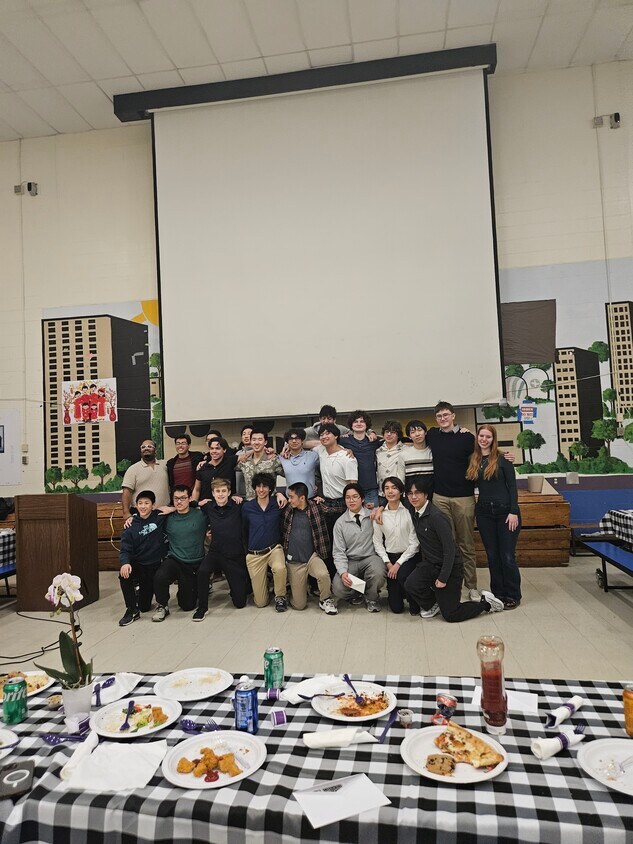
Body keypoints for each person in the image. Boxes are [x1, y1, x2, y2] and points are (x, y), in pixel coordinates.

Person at [403, 476, 504, 622]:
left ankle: (486, 604)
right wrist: (379, 509)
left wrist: (443, 578)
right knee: (410, 584)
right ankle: (433, 604)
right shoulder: (413, 511)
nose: (413, 497)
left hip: (450, 567)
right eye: (410, 493)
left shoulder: (437, 517)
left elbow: (449, 550)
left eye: (417, 493)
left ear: (426, 494)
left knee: (451, 614)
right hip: (430, 564)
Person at [425, 402, 479, 600]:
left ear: (453, 416)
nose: (443, 418)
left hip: (464, 497)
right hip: (440, 497)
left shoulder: (467, 437)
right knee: (446, 543)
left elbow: (484, 451)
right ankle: (450, 584)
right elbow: (407, 440)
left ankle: (471, 586)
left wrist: (506, 456)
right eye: (439, 416)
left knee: (466, 543)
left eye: (446, 415)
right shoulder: (432, 435)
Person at [466, 424, 522, 609]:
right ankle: (498, 594)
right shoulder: (473, 459)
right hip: (484, 513)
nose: (484, 439)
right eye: (481, 436)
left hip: (506, 513)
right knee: (492, 555)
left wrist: (514, 511)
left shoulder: (503, 458)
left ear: (493, 439)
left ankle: (513, 595)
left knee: (507, 556)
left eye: (488, 437)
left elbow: (512, 487)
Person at [194, 479, 250, 619]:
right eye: (217, 491)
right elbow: (187, 504)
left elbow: (255, 503)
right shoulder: (208, 507)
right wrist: (197, 503)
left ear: (229, 492)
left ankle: (237, 589)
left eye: (224, 491)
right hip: (216, 552)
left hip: (234, 555)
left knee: (240, 602)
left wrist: (239, 497)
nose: (220, 494)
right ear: (213, 493)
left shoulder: (238, 505)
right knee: (203, 571)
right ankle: (202, 608)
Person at [152, 484, 209, 621]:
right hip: (176, 559)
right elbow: (147, 515)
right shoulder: (167, 517)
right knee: (160, 576)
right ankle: (162, 605)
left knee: (187, 605)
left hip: (195, 562)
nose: (179, 501)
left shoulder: (201, 515)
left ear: (189, 499)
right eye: (176, 498)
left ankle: (190, 589)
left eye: (183, 498)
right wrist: (131, 518)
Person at [282, 482, 337, 614]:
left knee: (323, 574)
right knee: (299, 605)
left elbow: (334, 509)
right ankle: (293, 590)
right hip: (294, 561)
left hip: (312, 556)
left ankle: (325, 599)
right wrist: (278, 494)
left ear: (302, 498)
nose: (289, 500)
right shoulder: (288, 509)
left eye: (291, 497)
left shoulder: (316, 507)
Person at [332, 483, 386, 612]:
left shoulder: (372, 515)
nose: (351, 500)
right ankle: (357, 593)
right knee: (338, 588)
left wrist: (379, 510)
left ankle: (372, 598)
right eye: (348, 497)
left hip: (370, 558)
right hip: (351, 560)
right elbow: (338, 551)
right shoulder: (340, 523)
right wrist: (343, 572)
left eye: (355, 497)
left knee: (378, 573)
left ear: (362, 499)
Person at [118, 490, 168, 626]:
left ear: (153, 505)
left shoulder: (159, 516)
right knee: (124, 574)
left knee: (145, 606)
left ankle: (147, 595)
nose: (143, 506)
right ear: (136, 505)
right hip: (140, 565)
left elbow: (178, 507)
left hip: (155, 565)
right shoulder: (130, 525)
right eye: (140, 503)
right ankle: (132, 609)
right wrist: (125, 563)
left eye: (146, 503)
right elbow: (125, 549)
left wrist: (171, 508)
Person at [372, 477, 420, 614]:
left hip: (408, 557)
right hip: (390, 559)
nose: (390, 491)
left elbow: (414, 543)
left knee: (404, 577)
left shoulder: (409, 512)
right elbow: (377, 542)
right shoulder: (379, 515)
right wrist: (388, 563)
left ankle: (415, 597)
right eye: (386, 488)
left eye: (394, 488)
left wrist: (398, 564)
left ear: (401, 492)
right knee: (396, 608)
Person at [242, 472, 288, 611]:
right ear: (254, 488)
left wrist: (280, 494)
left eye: (265, 486)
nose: (261, 490)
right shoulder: (247, 507)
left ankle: (280, 596)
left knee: (279, 568)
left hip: (274, 549)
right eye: (258, 486)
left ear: (270, 488)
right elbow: (244, 530)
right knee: (261, 603)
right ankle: (266, 580)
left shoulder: (278, 503)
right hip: (255, 554)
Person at [339, 411, 383, 507]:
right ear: (351, 425)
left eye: (362, 421)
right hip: (352, 490)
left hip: (370, 489)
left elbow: (391, 439)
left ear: (367, 425)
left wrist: (372, 433)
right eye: (355, 421)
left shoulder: (374, 441)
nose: (358, 424)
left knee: (373, 515)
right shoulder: (344, 440)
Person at [121, 439, 170, 519]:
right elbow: (127, 492)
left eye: (150, 446)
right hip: (141, 514)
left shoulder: (165, 465)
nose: (146, 448)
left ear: (155, 450)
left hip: (164, 513)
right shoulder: (133, 469)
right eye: (143, 447)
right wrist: (126, 512)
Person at [236, 429, 285, 500]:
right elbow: (228, 466)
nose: (256, 442)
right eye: (254, 439)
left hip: (270, 502)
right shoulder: (244, 461)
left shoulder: (273, 460)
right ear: (251, 441)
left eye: (260, 439)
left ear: (265, 442)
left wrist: (279, 493)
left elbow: (290, 475)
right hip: (250, 503)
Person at [192, 437, 238, 501]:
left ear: (224, 450)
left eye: (217, 448)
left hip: (226, 504)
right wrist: (195, 504)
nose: (214, 451)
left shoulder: (230, 461)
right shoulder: (202, 467)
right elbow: (197, 490)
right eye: (212, 448)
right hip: (206, 505)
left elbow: (246, 455)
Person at [279, 429, 320, 498]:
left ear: (302, 441)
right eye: (291, 439)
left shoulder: (313, 456)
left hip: (309, 498)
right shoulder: (282, 458)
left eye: (297, 438)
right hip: (290, 499)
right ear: (287, 442)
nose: (294, 441)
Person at [376, 420, 405, 492]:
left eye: (393, 432)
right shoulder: (377, 450)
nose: (389, 434)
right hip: (381, 492)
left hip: (399, 491)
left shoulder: (405, 450)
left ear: (398, 435)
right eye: (387, 432)